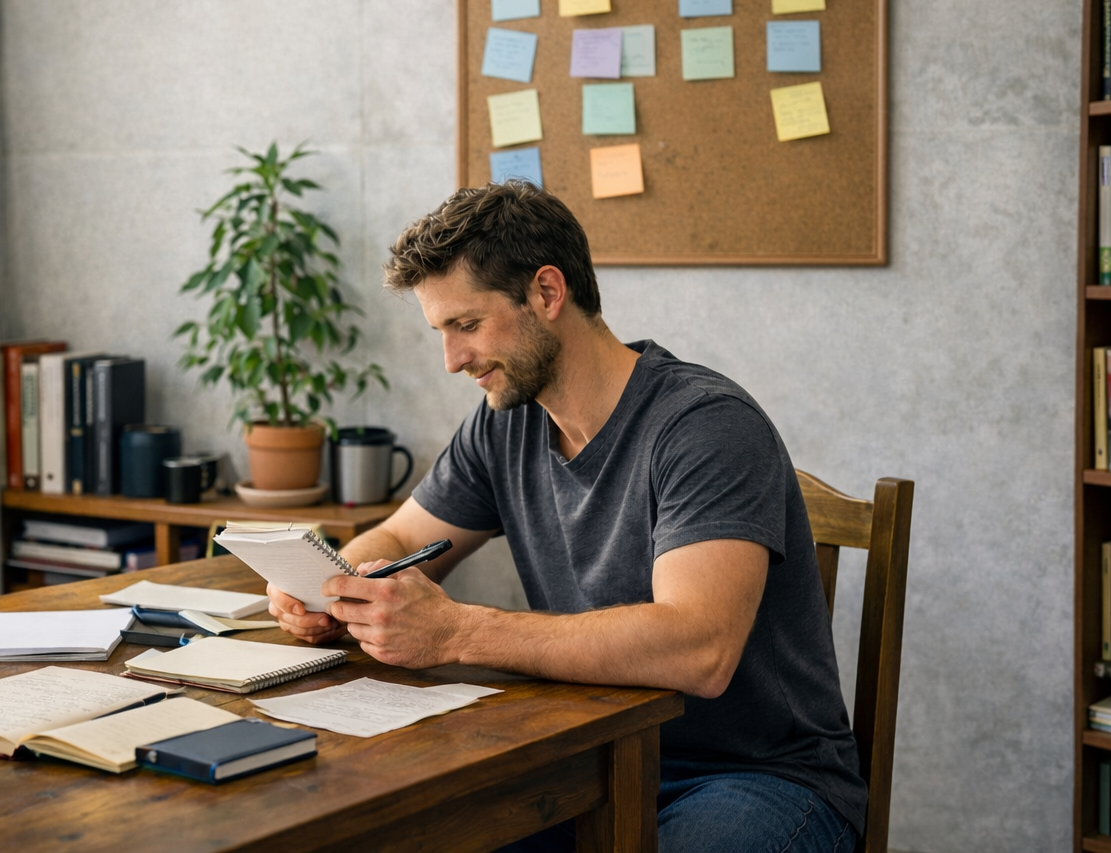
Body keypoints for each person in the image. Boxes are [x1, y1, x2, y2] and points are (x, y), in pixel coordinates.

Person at [267, 182, 865, 853]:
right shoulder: (504, 424)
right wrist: (334, 586)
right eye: (442, 332)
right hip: (589, 756)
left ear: (547, 293)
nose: (452, 361)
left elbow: (700, 649)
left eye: (467, 325)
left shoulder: (706, 426)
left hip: (755, 779)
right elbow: (404, 536)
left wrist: (457, 631)